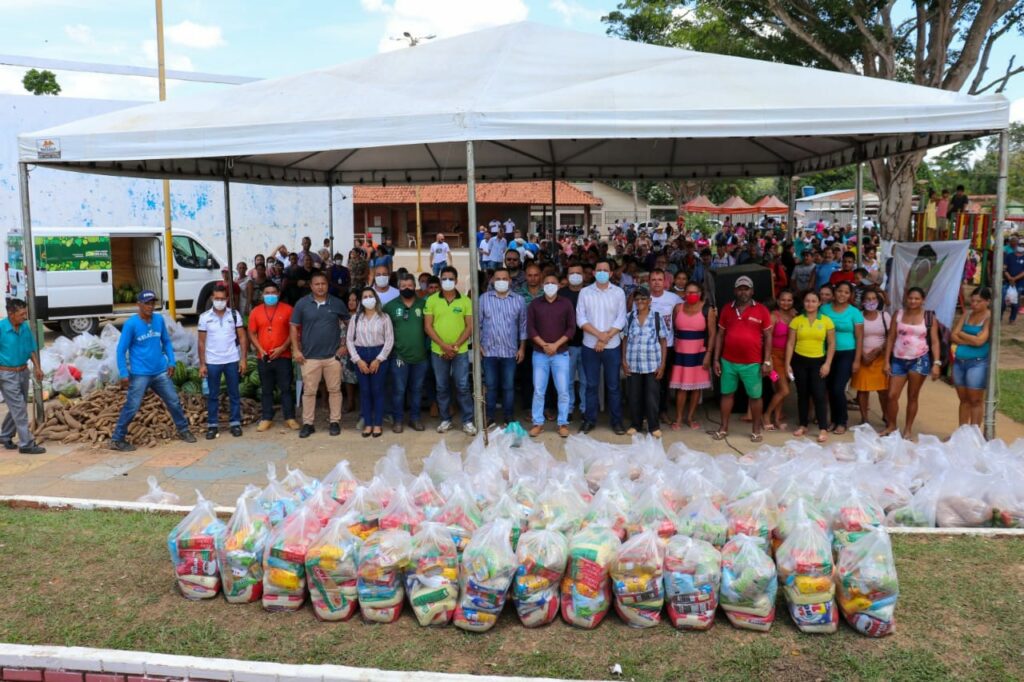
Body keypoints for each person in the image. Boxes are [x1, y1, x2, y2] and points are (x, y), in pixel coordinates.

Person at [110, 290, 197, 451]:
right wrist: (123, 372)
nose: (150, 306)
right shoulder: (131, 324)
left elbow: (166, 342)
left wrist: (171, 362)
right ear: (139, 305)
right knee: (132, 406)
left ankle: (183, 430)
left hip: (160, 372)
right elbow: (121, 350)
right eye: (147, 303)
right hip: (140, 373)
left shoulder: (159, 320)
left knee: (173, 401)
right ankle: (117, 439)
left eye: (152, 303)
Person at [711, 275, 772, 443]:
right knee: (727, 394)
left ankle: (756, 430)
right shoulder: (726, 309)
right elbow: (720, 335)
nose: (743, 291)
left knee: (755, 396)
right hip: (728, 361)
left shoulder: (761, 310)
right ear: (735, 291)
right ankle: (723, 428)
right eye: (740, 288)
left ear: (752, 291)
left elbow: (768, 336)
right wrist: (716, 359)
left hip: (752, 363)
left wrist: (766, 361)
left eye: (746, 288)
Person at [290, 271, 347, 438]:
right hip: (309, 357)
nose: (320, 287)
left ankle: (334, 421)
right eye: (317, 284)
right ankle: (308, 424)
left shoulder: (336, 303)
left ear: (327, 285)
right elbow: (293, 326)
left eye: (323, 284)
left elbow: (349, 323)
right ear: (311, 286)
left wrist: (345, 345)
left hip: (332, 357)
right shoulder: (302, 304)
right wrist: (296, 349)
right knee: (309, 392)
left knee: (335, 390)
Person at [576, 259, 627, 434]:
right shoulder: (584, 292)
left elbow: (621, 319)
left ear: (611, 273)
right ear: (593, 272)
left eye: (606, 270)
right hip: (590, 346)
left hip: (612, 346)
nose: (602, 272)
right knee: (591, 385)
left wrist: (605, 338)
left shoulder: (619, 292)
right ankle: (589, 420)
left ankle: (616, 421)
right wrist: (600, 336)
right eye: (599, 269)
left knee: (613, 386)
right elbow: (581, 319)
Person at [883, 287, 941, 438]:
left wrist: (936, 363)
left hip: (920, 359)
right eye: (910, 298)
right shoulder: (898, 314)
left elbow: (935, 342)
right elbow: (890, 338)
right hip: (898, 359)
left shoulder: (929, 317)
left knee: (912, 396)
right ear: (906, 299)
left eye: (917, 298)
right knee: (892, 395)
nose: (913, 301)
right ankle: (891, 426)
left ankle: (908, 429)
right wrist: (886, 361)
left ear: (923, 300)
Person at [425, 266, 476, 435]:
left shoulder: (465, 301)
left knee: (462, 386)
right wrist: (443, 346)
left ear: (456, 280)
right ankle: (445, 419)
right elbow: (428, 326)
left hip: (459, 351)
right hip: (438, 350)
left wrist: (454, 346)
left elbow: (470, 327)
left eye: (450, 278)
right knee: (442, 386)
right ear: (440, 280)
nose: (447, 281)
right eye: (444, 278)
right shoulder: (431, 300)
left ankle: (468, 420)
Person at [528, 273, 576, 438]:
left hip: (560, 353)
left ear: (558, 286)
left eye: (553, 282)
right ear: (542, 285)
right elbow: (531, 329)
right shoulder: (535, 304)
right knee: (539, 390)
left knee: (563, 390)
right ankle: (538, 423)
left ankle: (562, 423)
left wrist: (555, 345)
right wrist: (544, 345)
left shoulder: (566, 304)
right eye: (547, 282)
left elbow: (571, 328)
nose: (549, 285)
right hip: (540, 353)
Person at [198, 284, 248, 440]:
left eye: (222, 299)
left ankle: (235, 423)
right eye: (217, 298)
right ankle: (212, 425)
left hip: (232, 359)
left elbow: (242, 337)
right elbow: (201, 342)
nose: (219, 301)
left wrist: (243, 360)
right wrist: (202, 364)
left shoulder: (234, 315)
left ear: (227, 299)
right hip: (212, 361)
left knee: (234, 393)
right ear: (212, 298)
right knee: (213, 395)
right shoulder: (205, 317)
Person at [785, 290, 835, 443]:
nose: (810, 304)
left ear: (819, 303)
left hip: (818, 362)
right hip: (799, 361)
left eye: (814, 301)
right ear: (803, 303)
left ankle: (823, 428)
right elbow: (790, 343)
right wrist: (787, 363)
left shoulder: (826, 321)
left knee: (819, 395)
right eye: (807, 301)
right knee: (803, 394)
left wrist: (827, 363)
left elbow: (832, 343)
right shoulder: (797, 320)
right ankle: (803, 425)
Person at [479, 267, 527, 428]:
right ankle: (490, 416)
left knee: (508, 386)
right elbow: (478, 324)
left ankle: (508, 416)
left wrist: (522, 348)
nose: (501, 282)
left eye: (504, 279)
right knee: (491, 386)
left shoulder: (519, 300)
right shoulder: (484, 299)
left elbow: (523, 327)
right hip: (489, 351)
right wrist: (478, 345)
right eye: (498, 279)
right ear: (492, 281)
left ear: (510, 281)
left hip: (510, 352)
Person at [248, 282, 298, 432]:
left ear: (278, 294)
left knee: (286, 389)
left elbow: (293, 331)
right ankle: (266, 418)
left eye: (273, 292)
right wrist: (260, 349)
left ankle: (290, 418)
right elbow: (251, 333)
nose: (270, 295)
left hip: (284, 356)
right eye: (267, 292)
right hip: (264, 356)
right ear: (262, 295)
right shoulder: (255, 311)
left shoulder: (288, 309)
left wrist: (282, 348)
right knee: (266, 389)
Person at [383, 273, 428, 433]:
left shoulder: (424, 305)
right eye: (403, 286)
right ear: (398, 287)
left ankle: (415, 419)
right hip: (399, 356)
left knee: (417, 390)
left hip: (420, 356)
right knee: (399, 390)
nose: (407, 288)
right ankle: (398, 420)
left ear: (414, 286)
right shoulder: (390, 306)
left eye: (410, 285)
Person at [347, 287, 394, 438]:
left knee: (378, 390)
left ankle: (378, 424)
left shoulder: (384, 317)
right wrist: (357, 360)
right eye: (365, 296)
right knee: (365, 391)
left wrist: (379, 359)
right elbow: (349, 340)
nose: (368, 299)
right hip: (360, 354)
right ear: (361, 301)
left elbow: (389, 340)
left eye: (371, 296)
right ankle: (368, 423)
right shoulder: (355, 318)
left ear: (376, 299)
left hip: (378, 354)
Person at [621, 286, 669, 437]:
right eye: (637, 299)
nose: (640, 301)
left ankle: (653, 426)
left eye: (643, 299)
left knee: (652, 396)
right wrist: (623, 360)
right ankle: (636, 424)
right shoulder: (629, 317)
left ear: (650, 300)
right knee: (634, 396)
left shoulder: (656, 317)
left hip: (652, 364)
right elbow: (625, 340)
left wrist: (662, 365)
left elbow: (663, 342)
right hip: (633, 363)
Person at [0, 298, 45, 454]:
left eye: (25, 313)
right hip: (6, 374)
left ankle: (5, 435)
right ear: (11, 314)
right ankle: (26, 443)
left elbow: (31, 348)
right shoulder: (1, 328)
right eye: (21, 314)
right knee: (19, 408)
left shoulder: (24, 327)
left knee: (19, 405)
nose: (24, 317)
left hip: (23, 372)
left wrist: (37, 368)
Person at [669, 282, 715, 431]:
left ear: (700, 293)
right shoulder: (678, 308)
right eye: (688, 292)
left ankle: (690, 417)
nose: (691, 295)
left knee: (696, 387)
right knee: (681, 387)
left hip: (699, 353)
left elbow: (713, 334)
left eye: (694, 292)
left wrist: (708, 355)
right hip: (681, 353)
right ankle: (678, 418)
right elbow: (671, 330)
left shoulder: (708, 310)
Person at [820, 281, 863, 435]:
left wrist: (857, 360)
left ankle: (842, 421)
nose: (842, 295)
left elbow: (859, 338)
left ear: (850, 295)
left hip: (847, 353)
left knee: (838, 388)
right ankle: (833, 420)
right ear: (834, 292)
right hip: (826, 353)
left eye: (846, 292)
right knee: (830, 388)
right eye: (840, 291)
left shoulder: (854, 312)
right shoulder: (824, 309)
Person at [951, 287, 992, 427]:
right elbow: (953, 335)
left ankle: (974, 434)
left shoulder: (989, 317)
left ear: (987, 301)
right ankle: (962, 432)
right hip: (959, 361)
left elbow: (980, 341)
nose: (974, 304)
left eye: (978, 301)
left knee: (975, 400)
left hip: (977, 363)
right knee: (963, 399)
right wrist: (971, 338)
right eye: (973, 301)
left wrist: (962, 334)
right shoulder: (967, 314)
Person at [851, 288, 891, 429]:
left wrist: (878, 351)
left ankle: (886, 415)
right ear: (862, 301)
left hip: (879, 357)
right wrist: (862, 355)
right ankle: (864, 418)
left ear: (878, 301)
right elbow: (855, 337)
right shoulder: (858, 316)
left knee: (883, 390)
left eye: (874, 298)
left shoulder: (885, 316)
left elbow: (890, 337)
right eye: (868, 299)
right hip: (862, 357)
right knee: (863, 390)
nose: (871, 301)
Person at [763, 289, 796, 431]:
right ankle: (766, 415)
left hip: (789, 357)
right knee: (784, 390)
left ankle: (776, 418)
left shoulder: (795, 316)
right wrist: (767, 360)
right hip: (774, 357)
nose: (786, 303)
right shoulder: (773, 316)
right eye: (783, 300)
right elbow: (766, 339)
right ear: (778, 301)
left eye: (789, 300)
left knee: (780, 390)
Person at [559, 262, 588, 420]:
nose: (575, 276)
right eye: (571, 273)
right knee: (567, 381)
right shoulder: (561, 294)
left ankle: (584, 409)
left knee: (585, 380)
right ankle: (569, 409)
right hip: (567, 345)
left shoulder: (590, 292)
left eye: (578, 273)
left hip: (587, 344)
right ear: (567, 276)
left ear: (583, 275)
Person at [1002, 239, 1024, 323]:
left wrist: (1014, 279)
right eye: (1020, 244)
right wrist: (1009, 277)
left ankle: (1012, 319)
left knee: (1015, 301)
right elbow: (1004, 268)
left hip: (1020, 283)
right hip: (1007, 281)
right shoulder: (1009, 256)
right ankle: (999, 317)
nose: (1021, 247)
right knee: (1003, 300)